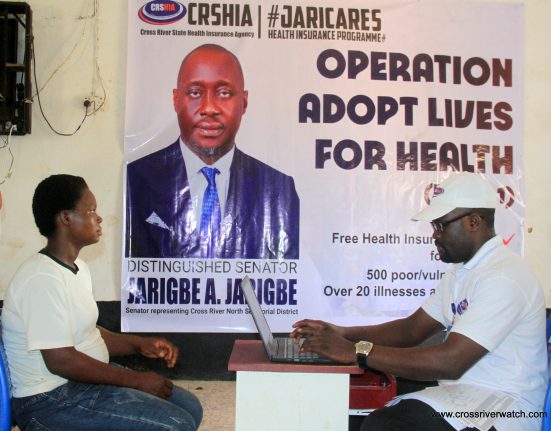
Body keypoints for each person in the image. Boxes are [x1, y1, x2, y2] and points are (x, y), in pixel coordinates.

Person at [291, 173, 547, 431]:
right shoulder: (463, 272)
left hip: (506, 409)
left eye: (441, 226)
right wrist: (342, 334)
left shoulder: (504, 277)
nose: (434, 235)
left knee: (386, 425)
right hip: (466, 396)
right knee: (370, 408)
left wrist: (357, 351)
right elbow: (410, 330)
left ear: (473, 221)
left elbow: (451, 362)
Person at [1, 174, 203, 430]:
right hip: (49, 401)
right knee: (176, 425)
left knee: (190, 408)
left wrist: (138, 344)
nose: (98, 218)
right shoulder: (41, 278)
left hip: (78, 385)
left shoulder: (78, 269)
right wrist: (135, 379)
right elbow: (61, 360)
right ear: (66, 218)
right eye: (91, 210)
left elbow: (88, 334)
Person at [125, 43, 299, 259]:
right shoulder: (136, 179)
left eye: (224, 93)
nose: (209, 108)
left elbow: (287, 274)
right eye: (195, 92)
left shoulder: (277, 189)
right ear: (176, 100)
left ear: (244, 102)